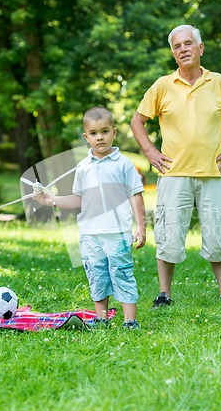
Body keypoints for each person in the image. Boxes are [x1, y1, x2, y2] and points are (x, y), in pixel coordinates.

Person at [131, 25, 221, 307]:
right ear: (173, 54)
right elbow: (137, 121)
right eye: (177, 46)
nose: (183, 49)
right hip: (174, 174)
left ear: (201, 48)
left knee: (217, 236)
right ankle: (165, 294)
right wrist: (149, 151)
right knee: (169, 237)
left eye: (188, 44)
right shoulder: (162, 85)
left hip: (212, 173)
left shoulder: (219, 82)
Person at [33, 107, 146, 329]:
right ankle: (101, 319)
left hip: (117, 233)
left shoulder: (123, 164)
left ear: (114, 132)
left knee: (122, 274)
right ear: (86, 137)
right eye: (93, 133)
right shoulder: (83, 167)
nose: (100, 137)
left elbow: (136, 195)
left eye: (105, 131)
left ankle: (130, 321)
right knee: (97, 275)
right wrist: (50, 200)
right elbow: (78, 199)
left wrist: (141, 226)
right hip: (90, 234)